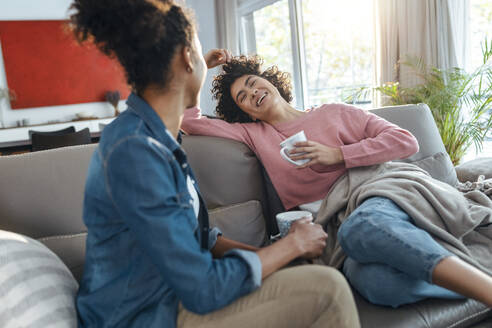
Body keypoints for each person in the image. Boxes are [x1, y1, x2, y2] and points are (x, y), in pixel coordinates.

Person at [69, 1, 360, 327]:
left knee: (309, 272)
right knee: (329, 289)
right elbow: (202, 286)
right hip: (146, 315)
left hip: (169, 297)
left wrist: (281, 255)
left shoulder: (157, 140)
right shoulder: (134, 152)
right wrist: (291, 245)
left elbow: (199, 239)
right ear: (186, 56)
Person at [181, 55, 492, 308]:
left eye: (252, 83)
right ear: (243, 111)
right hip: (335, 221)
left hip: (383, 189)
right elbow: (188, 120)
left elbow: (405, 141)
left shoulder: (335, 112)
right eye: (243, 97)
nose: (253, 94)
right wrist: (201, 68)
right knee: (376, 284)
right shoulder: (252, 134)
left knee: (362, 226)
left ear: (269, 80)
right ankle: (473, 270)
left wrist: (338, 155)